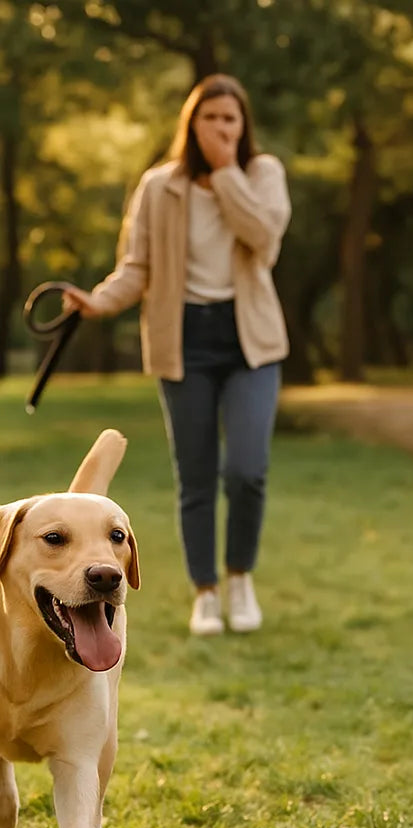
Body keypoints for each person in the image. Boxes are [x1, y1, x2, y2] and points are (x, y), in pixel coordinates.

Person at [63, 73, 291, 637]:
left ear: (244, 126)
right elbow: (136, 265)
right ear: (191, 124)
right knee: (195, 474)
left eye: (230, 119)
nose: (220, 127)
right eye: (209, 119)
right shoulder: (160, 185)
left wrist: (228, 173)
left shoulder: (263, 175)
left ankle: (239, 577)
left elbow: (264, 242)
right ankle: (205, 592)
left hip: (250, 341)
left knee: (246, 471)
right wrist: (98, 301)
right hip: (183, 339)